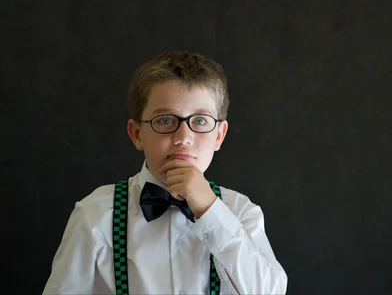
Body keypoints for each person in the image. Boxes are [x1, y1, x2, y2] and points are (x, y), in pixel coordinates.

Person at [43, 51, 288, 294]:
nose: (183, 138)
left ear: (219, 135)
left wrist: (211, 213)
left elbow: (269, 291)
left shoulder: (240, 211)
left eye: (200, 121)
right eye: (165, 120)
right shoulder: (96, 214)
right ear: (137, 134)